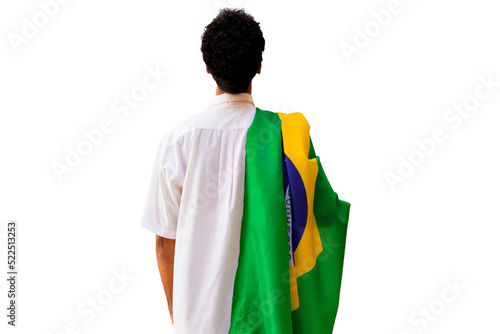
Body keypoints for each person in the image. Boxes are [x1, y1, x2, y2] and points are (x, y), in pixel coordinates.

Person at [141, 8, 350, 334]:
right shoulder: (285, 137)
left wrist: (179, 317)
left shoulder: (177, 142)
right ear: (259, 66)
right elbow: (318, 218)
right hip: (268, 315)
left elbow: (164, 242)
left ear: (207, 67)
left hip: (197, 322)